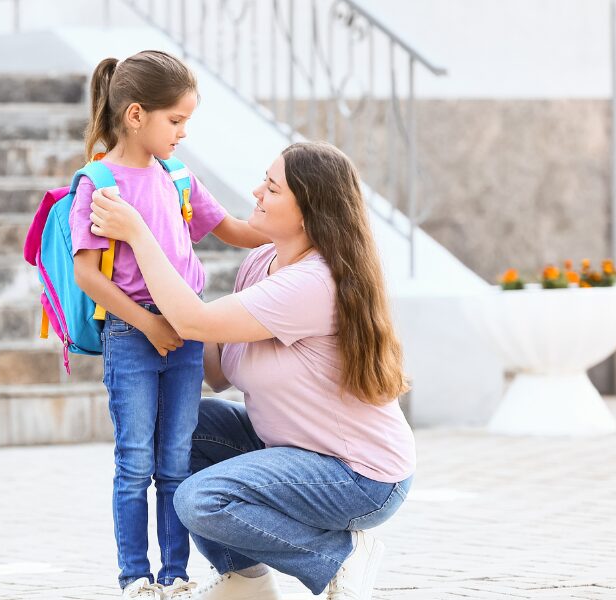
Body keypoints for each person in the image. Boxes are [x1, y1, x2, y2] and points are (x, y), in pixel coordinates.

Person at [88, 141, 416, 600]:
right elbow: (219, 371)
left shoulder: (311, 282)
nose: (257, 192)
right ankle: (245, 580)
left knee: (199, 499)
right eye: (265, 179)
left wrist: (141, 236)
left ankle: (338, 555)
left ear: (307, 211)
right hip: (293, 451)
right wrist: (144, 319)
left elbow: (195, 321)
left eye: (273, 187)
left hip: (358, 476)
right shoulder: (262, 262)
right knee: (181, 424)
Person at [71, 50, 269, 600]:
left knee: (176, 460)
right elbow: (88, 274)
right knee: (135, 461)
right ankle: (134, 577)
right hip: (131, 336)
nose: (183, 133)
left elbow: (230, 227)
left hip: (186, 335)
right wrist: (147, 324)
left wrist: (299, 228)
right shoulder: (99, 183)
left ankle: (175, 575)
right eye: (175, 121)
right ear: (136, 115)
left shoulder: (177, 176)